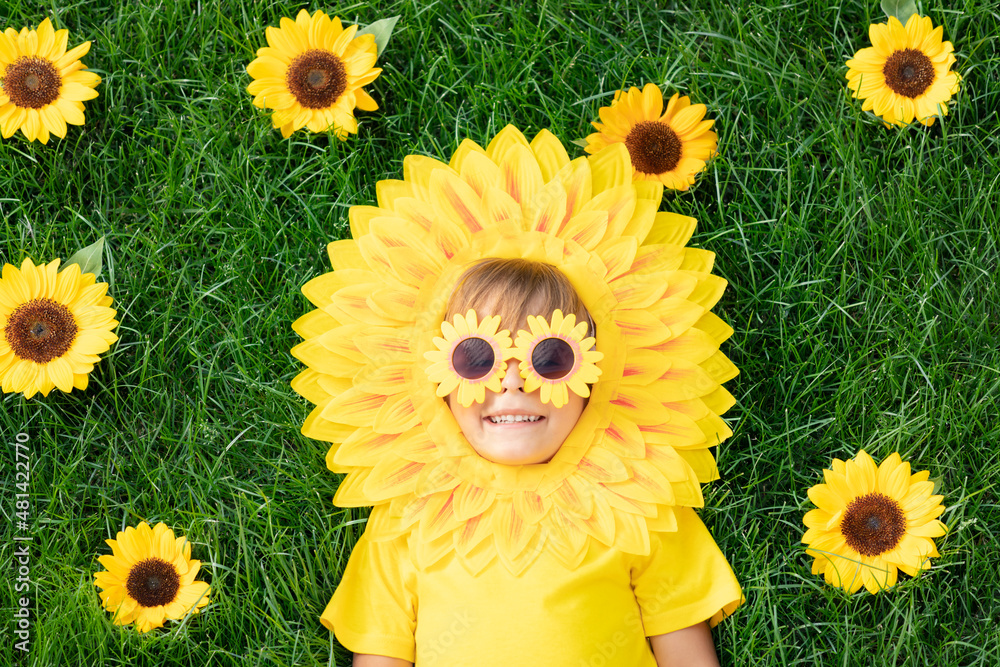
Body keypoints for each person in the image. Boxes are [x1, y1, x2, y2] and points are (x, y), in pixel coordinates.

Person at [324, 258, 742, 666]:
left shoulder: (640, 500)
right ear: (436, 383)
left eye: (548, 359)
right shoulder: (408, 514)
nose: (512, 379)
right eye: (476, 358)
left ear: (597, 374)